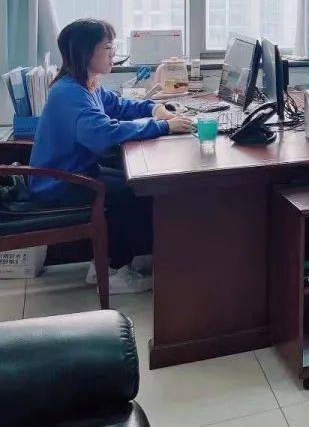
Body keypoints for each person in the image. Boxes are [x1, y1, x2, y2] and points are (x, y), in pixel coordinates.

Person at [29, 19, 193, 294]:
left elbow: (118, 105)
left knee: (133, 182)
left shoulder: (86, 84)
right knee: (133, 191)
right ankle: (116, 272)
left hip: (73, 173)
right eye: (107, 48)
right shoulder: (69, 93)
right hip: (58, 184)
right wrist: (163, 126)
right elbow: (105, 134)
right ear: (85, 53)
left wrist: (153, 109)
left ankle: (107, 263)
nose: (113, 54)